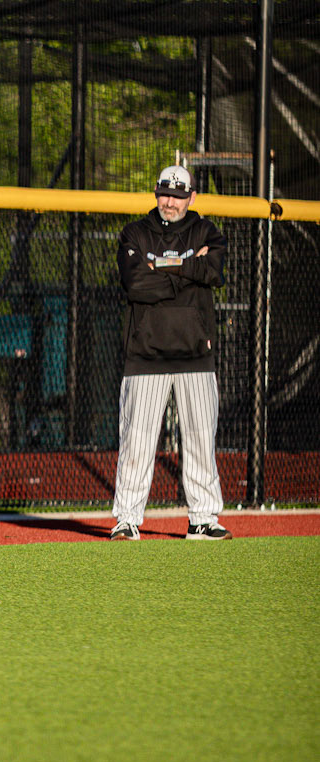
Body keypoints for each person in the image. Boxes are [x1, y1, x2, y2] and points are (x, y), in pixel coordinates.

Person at [111, 161, 230, 541]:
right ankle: (127, 519)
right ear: (156, 193)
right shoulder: (134, 232)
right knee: (137, 442)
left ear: (191, 197)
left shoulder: (207, 231)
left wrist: (161, 268)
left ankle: (203, 518)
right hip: (145, 354)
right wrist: (187, 269)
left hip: (195, 353)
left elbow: (213, 272)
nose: (170, 202)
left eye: (178, 196)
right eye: (165, 194)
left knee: (200, 440)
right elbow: (135, 284)